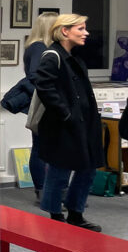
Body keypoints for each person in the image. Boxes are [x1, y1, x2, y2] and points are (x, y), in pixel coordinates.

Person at [33, 14, 103, 231]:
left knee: (88, 167)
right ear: (65, 31)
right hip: (63, 125)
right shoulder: (52, 56)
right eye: (80, 29)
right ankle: (55, 216)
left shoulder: (75, 58)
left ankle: (75, 213)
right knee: (60, 170)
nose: (86, 33)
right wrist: (65, 114)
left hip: (85, 123)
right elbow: (44, 87)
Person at [23, 12, 57, 198]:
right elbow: (35, 74)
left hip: (43, 102)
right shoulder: (38, 47)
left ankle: (46, 189)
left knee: (43, 146)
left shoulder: (38, 46)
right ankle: (43, 190)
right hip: (43, 104)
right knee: (40, 147)